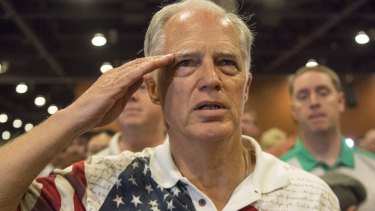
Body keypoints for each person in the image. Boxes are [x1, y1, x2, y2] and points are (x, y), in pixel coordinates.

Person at [0, 1, 339, 210]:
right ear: (152, 86)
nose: (211, 79)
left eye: (226, 62)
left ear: (246, 88)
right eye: (185, 63)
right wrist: (75, 116)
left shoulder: (309, 197)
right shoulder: (98, 184)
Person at [280, 65, 375, 210]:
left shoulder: (372, 165)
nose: (314, 102)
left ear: (341, 101)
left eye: (323, 93)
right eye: (303, 96)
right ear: (293, 110)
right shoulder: (276, 175)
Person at [96, 82, 166, 156]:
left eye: (142, 87)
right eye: (122, 89)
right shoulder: (93, 166)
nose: (131, 96)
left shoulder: (179, 160)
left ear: (163, 97)